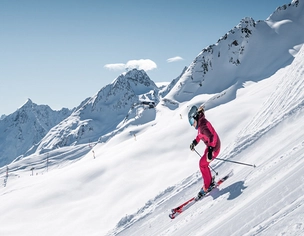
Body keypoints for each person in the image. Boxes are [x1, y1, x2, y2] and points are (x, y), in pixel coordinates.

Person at [188, 105, 221, 198]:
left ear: (195, 117)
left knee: (202, 164)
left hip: (214, 147)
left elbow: (212, 137)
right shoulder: (200, 124)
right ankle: (209, 182)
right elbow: (199, 136)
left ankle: (207, 186)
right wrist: (194, 142)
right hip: (211, 146)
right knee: (203, 163)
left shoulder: (202, 126)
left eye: (191, 121)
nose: (191, 124)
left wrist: (210, 150)